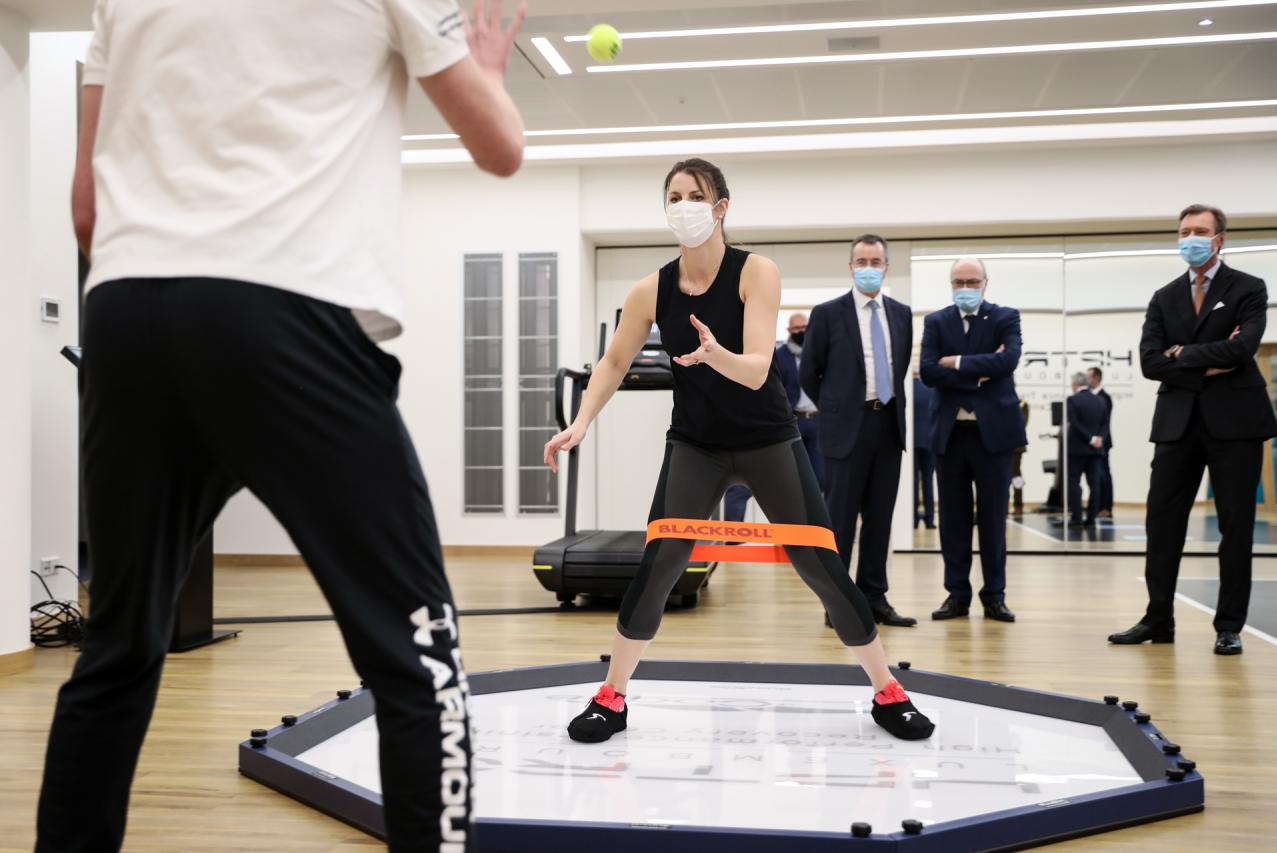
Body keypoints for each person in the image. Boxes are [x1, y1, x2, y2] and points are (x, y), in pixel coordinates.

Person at [38, 2, 528, 851]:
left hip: (126, 312)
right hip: (284, 305)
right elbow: (500, 148)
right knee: (420, 660)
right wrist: (485, 70)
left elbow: (85, 208)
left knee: (114, 653)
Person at [544, 159, 934, 745]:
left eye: (695, 195)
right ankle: (612, 695)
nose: (683, 206)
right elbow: (614, 361)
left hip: (767, 439)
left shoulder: (758, 271)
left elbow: (755, 371)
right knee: (659, 566)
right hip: (695, 444)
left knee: (819, 564)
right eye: (673, 196)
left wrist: (711, 355)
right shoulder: (650, 288)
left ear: (721, 206)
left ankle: (887, 690)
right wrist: (580, 422)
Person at [1109, 204, 1277, 656]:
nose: (1191, 238)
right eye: (1184, 231)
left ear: (1220, 238)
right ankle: (1158, 618)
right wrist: (1208, 361)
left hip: (1237, 424)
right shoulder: (1164, 297)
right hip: (1177, 424)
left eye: (1200, 231)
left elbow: (1243, 349)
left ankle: (1229, 626)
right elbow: (1149, 362)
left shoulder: (1248, 287)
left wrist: (1180, 356)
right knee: (1162, 523)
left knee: (1236, 527)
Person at [800, 235, 917, 628]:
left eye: (876, 260)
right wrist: (836, 407)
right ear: (851, 267)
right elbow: (808, 373)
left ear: (887, 265)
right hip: (845, 429)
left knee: (880, 520)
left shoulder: (901, 314)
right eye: (862, 260)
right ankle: (837, 602)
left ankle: (875, 598)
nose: (869, 266)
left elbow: (898, 369)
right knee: (841, 522)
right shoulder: (828, 313)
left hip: (887, 426)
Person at [920, 258, 1026, 624]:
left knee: (994, 520)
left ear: (985, 283)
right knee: (953, 519)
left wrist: (958, 363)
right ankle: (957, 594)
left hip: (993, 436)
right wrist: (980, 371)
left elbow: (1009, 361)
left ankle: (994, 596)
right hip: (950, 436)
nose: (965, 287)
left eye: (972, 280)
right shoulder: (936, 321)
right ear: (950, 284)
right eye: (958, 281)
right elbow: (930, 371)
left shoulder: (1005, 317)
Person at [723, 312, 822, 522]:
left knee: (819, 481)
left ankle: (812, 534)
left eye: (805, 327)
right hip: (788, 422)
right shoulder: (778, 355)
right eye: (797, 328)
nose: (801, 332)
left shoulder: (819, 354)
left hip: (817, 422)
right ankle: (734, 540)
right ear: (788, 331)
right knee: (761, 483)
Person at [1053, 372, 1107, 529]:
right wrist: (1099, 438)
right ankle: (1091, 518)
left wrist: (1089, 438)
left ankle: (1076, 518)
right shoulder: (1100, 400)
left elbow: (1075, 424)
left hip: (1077, 450)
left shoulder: (1072, 400)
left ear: (1075, 384)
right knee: (1094, 484)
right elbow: (1105, 423)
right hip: (1096, 449)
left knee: (1073, 483)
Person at [1087, 367, 1114, 517]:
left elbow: (1103, 421)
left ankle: (1106, 507)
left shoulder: (1105, 397)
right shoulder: (1091, 396)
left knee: (1104, 475)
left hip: (1101, 441)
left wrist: (1098, 437)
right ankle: (1096, 506)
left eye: (1089, 377)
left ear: (1097, 378)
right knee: (1095, 476)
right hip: (1092, 442)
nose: (1087, 380)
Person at [913, 370, 937, 529]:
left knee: (913, 483)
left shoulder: (909, 390)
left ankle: (913, 518)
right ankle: (929, 519)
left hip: (913, 442)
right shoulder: (931, 390)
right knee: (928, 481)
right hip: (930, 441)